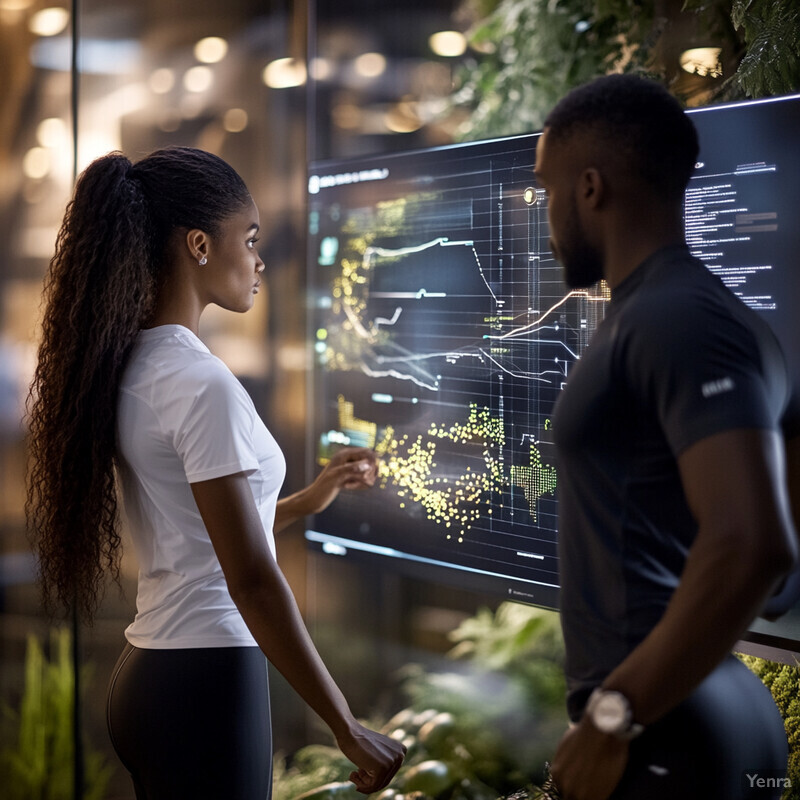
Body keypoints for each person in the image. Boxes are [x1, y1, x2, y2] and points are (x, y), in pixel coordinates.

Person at [25, 146, 405, 800]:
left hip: (150, 677)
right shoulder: (202, 385)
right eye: (249, 239)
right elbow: (252, 581)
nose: (259, 261)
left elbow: (201, 528)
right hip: (205, 684)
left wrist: (302, 501)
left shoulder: (139, 367)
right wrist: (346, 726)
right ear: (199, 244)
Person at [532, 75, 800, 799]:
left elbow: (755, 545)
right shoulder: (720, 320)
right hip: (691, 715)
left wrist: (612, 717)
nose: (545, 213)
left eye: (545, 190)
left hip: (664, 737)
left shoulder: (677, 322)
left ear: (589, 188)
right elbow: (779, 578)